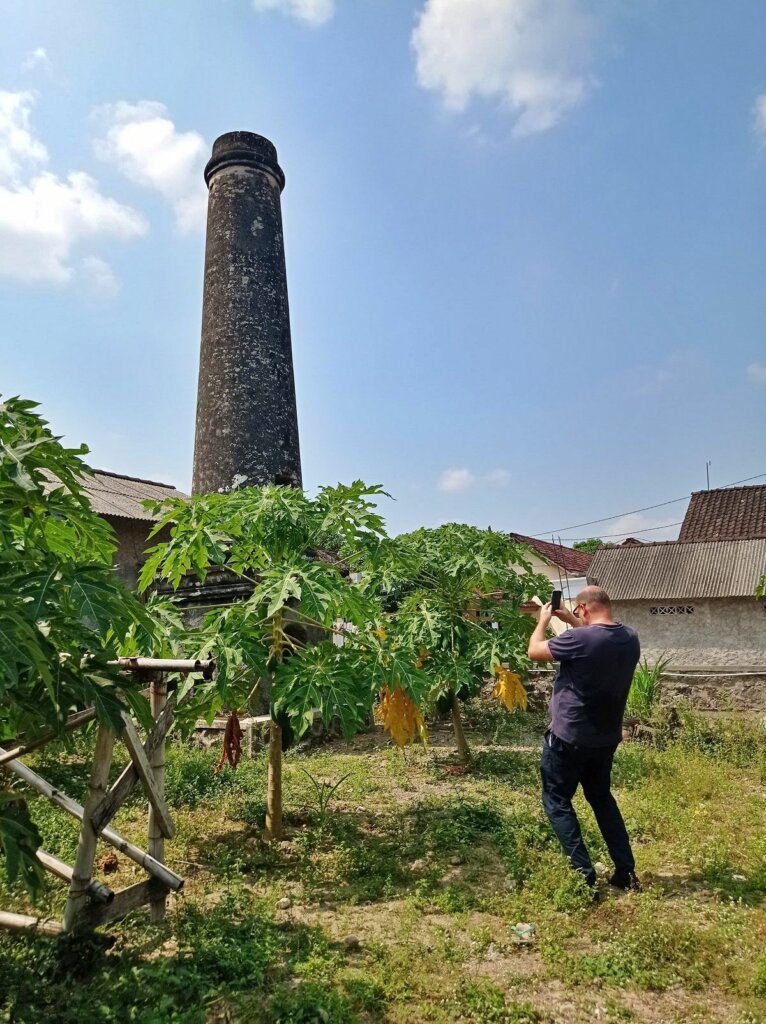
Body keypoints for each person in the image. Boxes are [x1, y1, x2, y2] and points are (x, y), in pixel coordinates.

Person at [527, 586, 641, 891]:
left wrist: (543, 620)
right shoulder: (629, 638)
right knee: (602, 800)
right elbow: (596, 637)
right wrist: (570, 617)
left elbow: (534, 651)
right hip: (604, 740)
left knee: (557, 800)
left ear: (584, 609)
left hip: (568, 737)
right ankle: (626, 873)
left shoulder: (579, 639)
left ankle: (584, 875)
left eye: (578, 613)